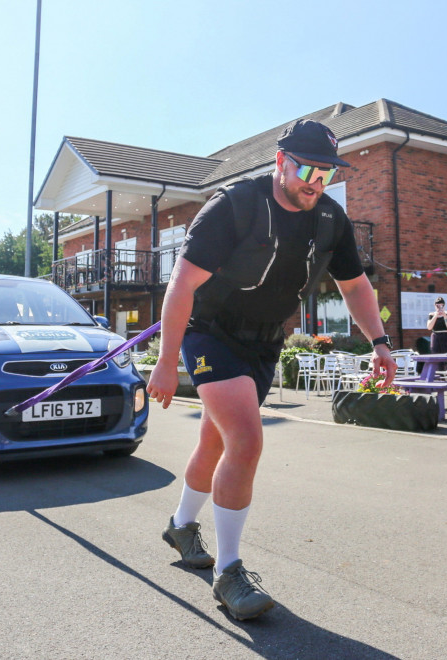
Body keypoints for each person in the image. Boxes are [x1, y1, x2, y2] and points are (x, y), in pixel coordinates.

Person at [147, 119, 396, 621]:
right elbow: (181, 285)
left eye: (327, 173)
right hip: (211, 333)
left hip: (264, 345)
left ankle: (180, 524)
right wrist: (167, 361)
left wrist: (381, 342)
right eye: (308, 169)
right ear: (281, 162)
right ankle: (230, 573)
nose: (317, 181)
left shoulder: (331, 219)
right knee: (246, 440)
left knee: (215, 443)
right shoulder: (234, 205)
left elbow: (354, 286)